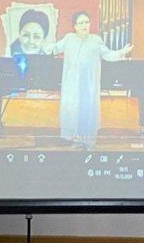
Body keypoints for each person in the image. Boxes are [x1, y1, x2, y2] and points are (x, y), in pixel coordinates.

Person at [52, 11, 133, 149]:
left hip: (88, 84)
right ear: (75, 26)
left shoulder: (96, 40)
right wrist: (41, 48)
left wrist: (121, 52)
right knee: (73, 110)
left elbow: (108, 54)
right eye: (81, 22)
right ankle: (77, 140)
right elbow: (54, 48)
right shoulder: (69, 38)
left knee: (88, 111)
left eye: (87, 22)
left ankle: (89, 142)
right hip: (71, 83)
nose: (85, 25)